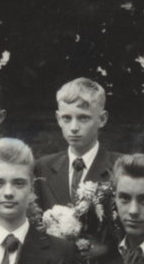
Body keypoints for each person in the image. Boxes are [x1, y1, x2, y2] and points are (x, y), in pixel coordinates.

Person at [36, 77, 121, 210]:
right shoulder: (44, 166)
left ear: (102, 119)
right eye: (66, 118)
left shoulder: (119, 167)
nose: (74, 127)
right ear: (58, 119)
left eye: (83, 118)